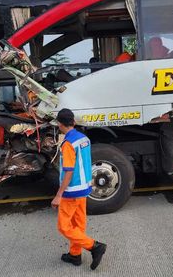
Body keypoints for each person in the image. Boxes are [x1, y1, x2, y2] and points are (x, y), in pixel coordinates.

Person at [51, 108, 107, 270]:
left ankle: (94, 246)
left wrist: (58, 195)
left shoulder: (68, 143)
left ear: (60, 124)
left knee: (64, 226)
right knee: (78, 223)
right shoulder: (84, 139)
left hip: (71, 190)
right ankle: (75, 255)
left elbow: (68, 170)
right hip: (84, 188)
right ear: (73, 122)